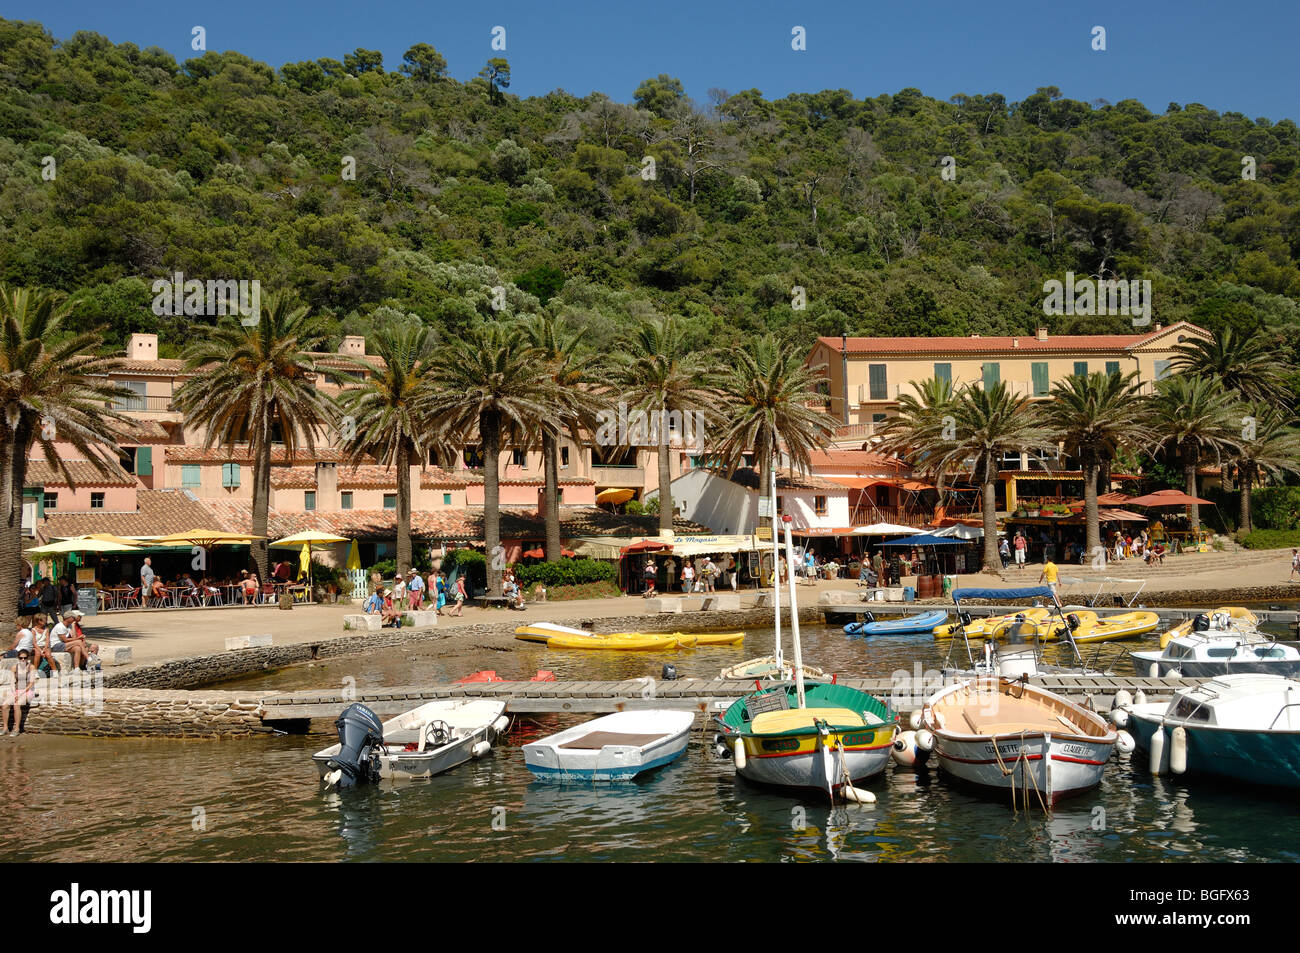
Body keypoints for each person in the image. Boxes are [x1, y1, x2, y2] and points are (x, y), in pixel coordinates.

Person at [2, 649, 36, 734]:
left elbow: (31, 683)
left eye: (25, 658)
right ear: (18, 658)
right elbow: (12, 682)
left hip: (27, 690)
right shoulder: (14, 667)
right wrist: (14, 692)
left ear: (28, 658)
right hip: (17, 690)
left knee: (16, 705)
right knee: (4, 705)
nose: (23, 660)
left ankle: (16, 729)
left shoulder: (31, 667)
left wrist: (21, 693)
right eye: (21, 658)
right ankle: (5, 728)